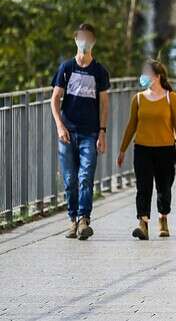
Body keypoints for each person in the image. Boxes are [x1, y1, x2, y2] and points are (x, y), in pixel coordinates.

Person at [117, 59, 176, 240]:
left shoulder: (171, 98)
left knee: (164, 188)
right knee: (143, 187)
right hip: (142, 149)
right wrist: (122, 150)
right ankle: (143, 224)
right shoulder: (138, 98)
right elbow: (131, 125)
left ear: (158, 76)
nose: (144, 77)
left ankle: (163, 218)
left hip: (165, 150)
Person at [50, 23, 110, 240]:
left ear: (93, 41)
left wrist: (102, 132)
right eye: (81, 36)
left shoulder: (99, 71)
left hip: (89, 133)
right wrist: (59, 125)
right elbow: (54, 99)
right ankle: (72, 220)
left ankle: (84, 219)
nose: (84, 40)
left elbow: (104, 104)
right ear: (76, 39)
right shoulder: (66, 68)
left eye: (88, 37)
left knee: (85, 176)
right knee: (69, 179)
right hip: (67, 132)